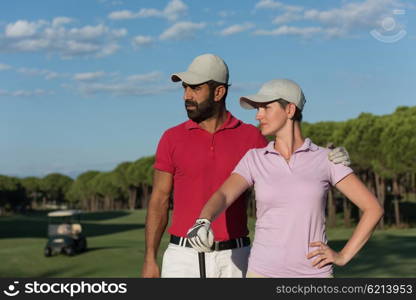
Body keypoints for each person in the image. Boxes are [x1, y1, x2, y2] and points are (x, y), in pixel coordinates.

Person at [141, 55, 351, 278]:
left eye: (195, 88)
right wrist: (150, 259)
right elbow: (159, 200)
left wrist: (329, 157)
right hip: (182, 258)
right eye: (185, 89)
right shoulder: (171, 138)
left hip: (236, 257)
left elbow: (292, 161)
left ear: (219, 92)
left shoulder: (251, 137)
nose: (186, 96)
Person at [187, 79, 384, 278]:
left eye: (265, 108)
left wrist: (343, 256)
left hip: (315, 275)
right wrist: (203, 220)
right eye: (257, 109)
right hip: (261, 273)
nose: (258, 115)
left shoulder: (327, 159)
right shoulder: (254, 159)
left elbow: (373, 208)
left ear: (289, 110)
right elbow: (223, 194)